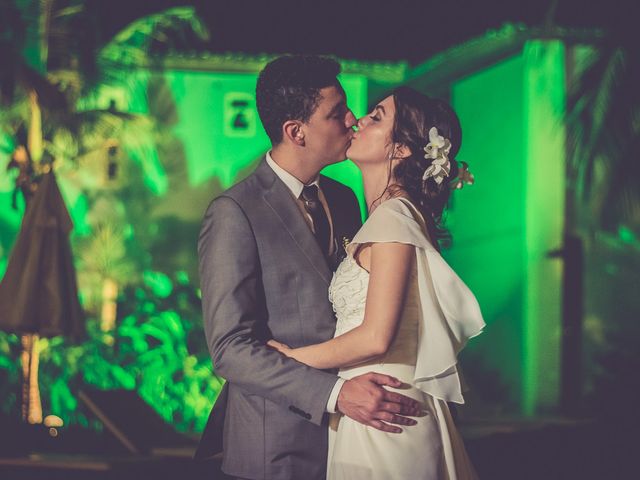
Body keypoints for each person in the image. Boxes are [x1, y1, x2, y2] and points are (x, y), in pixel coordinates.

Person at [196, 56, 421, 480]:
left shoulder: (344, 199)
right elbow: (230, 350)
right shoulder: (234, 212)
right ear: (296, 132)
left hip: (355, 434)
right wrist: (336, 394)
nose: (353, 119)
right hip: (277, 444)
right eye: (337, 113)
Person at [268, 86, 485, 479]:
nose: (359, 120)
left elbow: (375, 338)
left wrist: (288, 361)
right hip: (373, 402)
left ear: (400, 149)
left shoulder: (394, 220)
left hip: (386, 412)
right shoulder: (386, 217)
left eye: (377, 117)